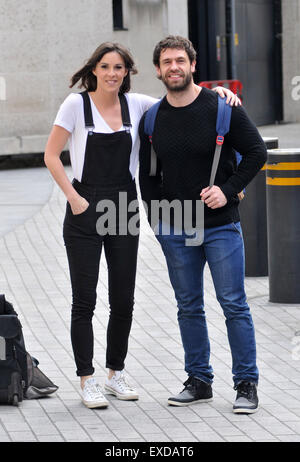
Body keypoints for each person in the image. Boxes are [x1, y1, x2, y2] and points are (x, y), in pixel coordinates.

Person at [44, 41, 240, 409]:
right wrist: (74, 198)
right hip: (84, 207)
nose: (112, 74)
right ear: (94, 69)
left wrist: (219, 93)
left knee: (123, 299)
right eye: (105, 67)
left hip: (124, 206)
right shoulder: (75, 104)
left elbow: (182, 96)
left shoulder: (138, 106)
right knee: (83, 300)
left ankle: (115, 372)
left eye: (119, 68)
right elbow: (51, 154)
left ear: (128, 72)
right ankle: (87, 379)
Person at [139, 36, 267, 414]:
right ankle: (199, 380)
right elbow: (147, 177)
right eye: (166, 61)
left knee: (233, 304)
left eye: (180, 60)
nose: (174, 67)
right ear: (158, 70)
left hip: (220, 225)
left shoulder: (222, 108)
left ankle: (246, 384)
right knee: (188, 306)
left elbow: (257, 151)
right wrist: (157, 220)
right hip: (175, 229)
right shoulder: (152, 118)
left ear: (193, 65)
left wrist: (228, 191)